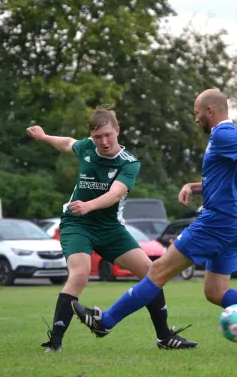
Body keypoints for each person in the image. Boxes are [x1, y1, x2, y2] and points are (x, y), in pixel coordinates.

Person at [71, 89, 237, 355]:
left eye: (197, 112)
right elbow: (227, 179)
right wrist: (195, 186)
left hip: (215, 223)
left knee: (157, 271)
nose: (195, 118)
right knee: (216, 291)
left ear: (209, 110)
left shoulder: (222, 133)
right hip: (235, 225)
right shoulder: (231, 136)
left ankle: (105, 322)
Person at [26, 105, 198, 353]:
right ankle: (54, 343)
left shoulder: (129, 164)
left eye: (108, 135)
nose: (104, 142)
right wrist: (43, 137)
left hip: (109, 228)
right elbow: (66, 143)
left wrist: (88, 205)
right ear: (92, 137)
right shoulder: (86, 147)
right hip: (77, 224)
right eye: (97, 137)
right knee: (80, 274)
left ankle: (164, 337)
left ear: (117, 130)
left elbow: (115, 194)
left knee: (152, 273)